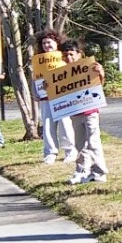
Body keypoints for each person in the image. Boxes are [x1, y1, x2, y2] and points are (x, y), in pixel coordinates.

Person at [62, 39, 108, 185]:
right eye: (65, 55)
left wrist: (100, 72)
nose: (68, 58)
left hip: (90, 111)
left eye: (71, 54)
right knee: (80, 144)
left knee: (93, 142)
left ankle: (99, 172)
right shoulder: (62, 74)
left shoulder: (88, 67)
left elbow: (98, 85)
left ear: (79, 54)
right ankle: (82, 171)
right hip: (75, 113)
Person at [34, 29, 75, 165]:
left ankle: (70, 151)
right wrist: (35, 92)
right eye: (44, 43)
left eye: (49, 42)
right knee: (47, 125)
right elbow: (35, 78)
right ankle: (50, 153)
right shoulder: (39, 61)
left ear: (56, 43)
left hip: (62, 96)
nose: (46, 45)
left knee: (65, 123)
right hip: (46, 97)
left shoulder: (64, 58)